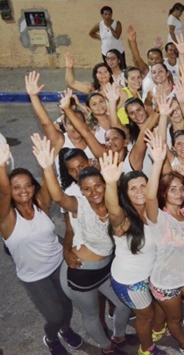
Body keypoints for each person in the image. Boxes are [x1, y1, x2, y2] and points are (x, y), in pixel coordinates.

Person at [32, 135, 130, 355]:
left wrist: (112, 181)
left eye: (97, 186)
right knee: (91, 315)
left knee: (124, 303)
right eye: (87, 189)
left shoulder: (115, 203)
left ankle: (118, 336)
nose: (93, 192)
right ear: (81, 190)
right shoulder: (80, 205)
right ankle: (107, 348)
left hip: (106, 270)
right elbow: (58, 197)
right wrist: (47, 167)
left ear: (105, 184)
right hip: (82, 273)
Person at [0, 144, 83, 355]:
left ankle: (66, 330)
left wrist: (47, 165)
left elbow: (50, 183)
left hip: (58, 264)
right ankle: (51, 337)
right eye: (16, 187)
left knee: (66, 305)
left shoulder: (40, 203)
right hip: (34, 276)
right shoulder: (6, 217)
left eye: (28, 185)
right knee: (54, 316)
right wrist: (1, 167)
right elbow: (4, 192)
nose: (23, 190)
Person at [144, 131, 184, 355]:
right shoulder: (158, 218)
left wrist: (182, 172)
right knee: (175, 318)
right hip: (165, 282)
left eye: (181, 188)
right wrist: (158, 162)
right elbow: (150, 197)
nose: (179, 193)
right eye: (172, 189)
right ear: (163, 193)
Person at [100, 152, 165, 355]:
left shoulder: (153, 210)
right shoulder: (124, 220)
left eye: (143, 185)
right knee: (145, 316)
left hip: (148, 275)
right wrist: (110, 183)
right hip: (130, 282)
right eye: (133, 188)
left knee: (157, 307)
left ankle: (157, 330)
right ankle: (146, 349)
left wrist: (158, 162)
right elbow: (113, 210)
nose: (139, 191)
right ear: (125, 193)